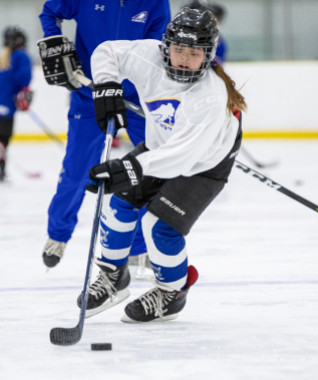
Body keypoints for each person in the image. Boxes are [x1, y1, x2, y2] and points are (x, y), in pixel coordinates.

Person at [77, 7, 247, 322]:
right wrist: (106, 86)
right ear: (165, 45)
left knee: (159, 227)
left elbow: (180, 158)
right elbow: (107, 52)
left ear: (208, 55)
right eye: (178, 48)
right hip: (160, 146)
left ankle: (172, 291)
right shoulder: (149, 57)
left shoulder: (210, 96)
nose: (183, 57)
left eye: (194, 52)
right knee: (119, 204)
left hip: (204, 162)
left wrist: (128, 169)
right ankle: (114, 277)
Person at [37, 0, 171, 268]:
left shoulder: (156, 1)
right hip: (89, 95)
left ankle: (139, 247)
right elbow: (50, 12)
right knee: (76, 171)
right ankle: (58, 235)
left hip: (137, 97)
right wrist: (53, 41)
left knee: (149, 169)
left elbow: (157, 46)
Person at [0, 26, 32, 181]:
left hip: (3, 103)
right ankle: (1, 171)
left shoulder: (4, 55)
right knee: (3, 138)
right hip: (6, 106)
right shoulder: (20, 55)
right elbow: (23, 78)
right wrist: (24, 94)